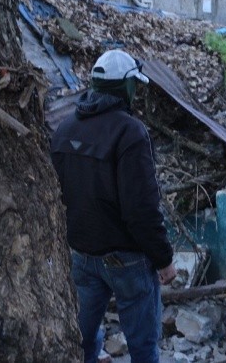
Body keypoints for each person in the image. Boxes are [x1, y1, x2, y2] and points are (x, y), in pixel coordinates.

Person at [50, 49, 176, 363]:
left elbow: (58, 197)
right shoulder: (129, 132)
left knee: (82, 339)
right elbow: (141, 210)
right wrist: (164, 259)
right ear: (125, 87)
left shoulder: (65, 129)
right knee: (143, 348)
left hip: (81, 255)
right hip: (127, 261)